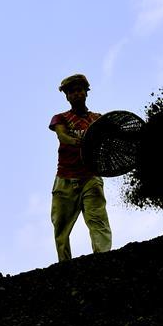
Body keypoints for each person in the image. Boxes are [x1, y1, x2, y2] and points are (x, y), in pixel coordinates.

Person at [49, 73, 112, 262]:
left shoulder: (97, 119)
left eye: (79, 90)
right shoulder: (61, 118)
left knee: (97, 219)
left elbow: (113, 133)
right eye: (71, 92)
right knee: (60, 227)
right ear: (67, 96)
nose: (76, 94)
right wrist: (79, 141)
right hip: (65, 179)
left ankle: (103, 259)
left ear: (86, 93)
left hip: (90, 177)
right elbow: (62, 136)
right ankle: (65, 265)